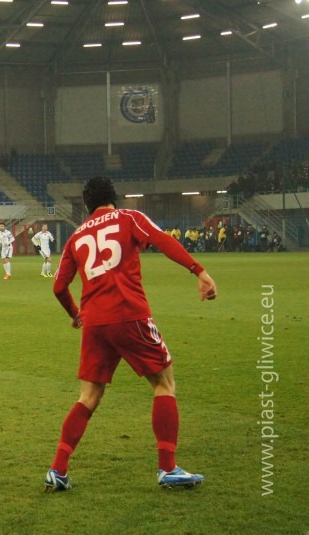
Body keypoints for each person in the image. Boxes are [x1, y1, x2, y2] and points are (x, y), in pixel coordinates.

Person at [44, 176, 217, 492]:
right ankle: (168, 468)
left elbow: (58, 287)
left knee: (88, 396)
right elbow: (162, 240)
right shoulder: (129, 218)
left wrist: (75, 314)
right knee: (164, 383)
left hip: (94, 324)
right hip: (128, 314)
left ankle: (58, 469)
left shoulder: (76, 236)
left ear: (87, 205)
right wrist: (199, 271)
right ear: (114, 197)